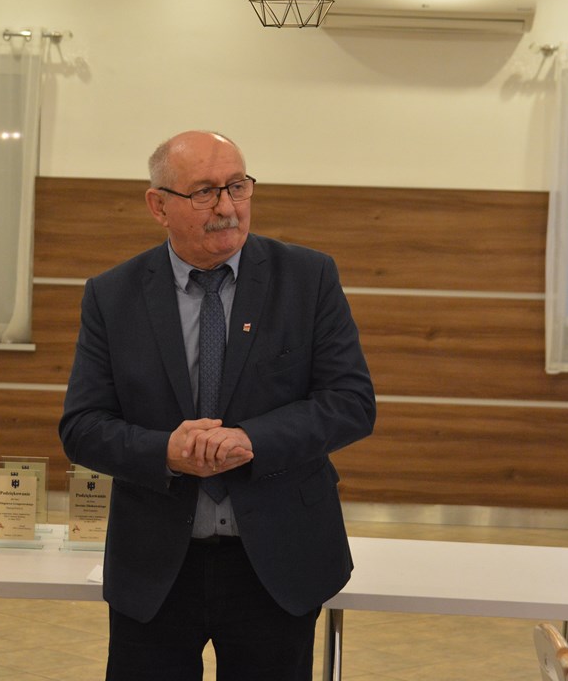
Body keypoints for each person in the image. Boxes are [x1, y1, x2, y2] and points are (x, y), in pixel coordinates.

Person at [59, 130, 376, 680]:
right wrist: (166, 451)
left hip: (276, 561)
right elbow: (83, 426)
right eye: (204, 192)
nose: (227, 207)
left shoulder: (308, 279)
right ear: (158, 205)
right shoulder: (112, 295)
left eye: (237, 186)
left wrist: (251, 439)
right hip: (156, 565)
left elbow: (350, 402)